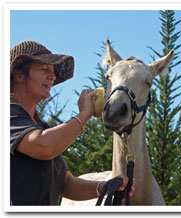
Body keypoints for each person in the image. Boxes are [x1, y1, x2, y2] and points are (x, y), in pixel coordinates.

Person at [10, 41, 136, 206]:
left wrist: (106, 187)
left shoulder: (40, 127)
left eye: (53, 71)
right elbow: (44, 146)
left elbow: (66, 184)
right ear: (19, 75)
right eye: (44, 69)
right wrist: (84, 114)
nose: (52, 76)